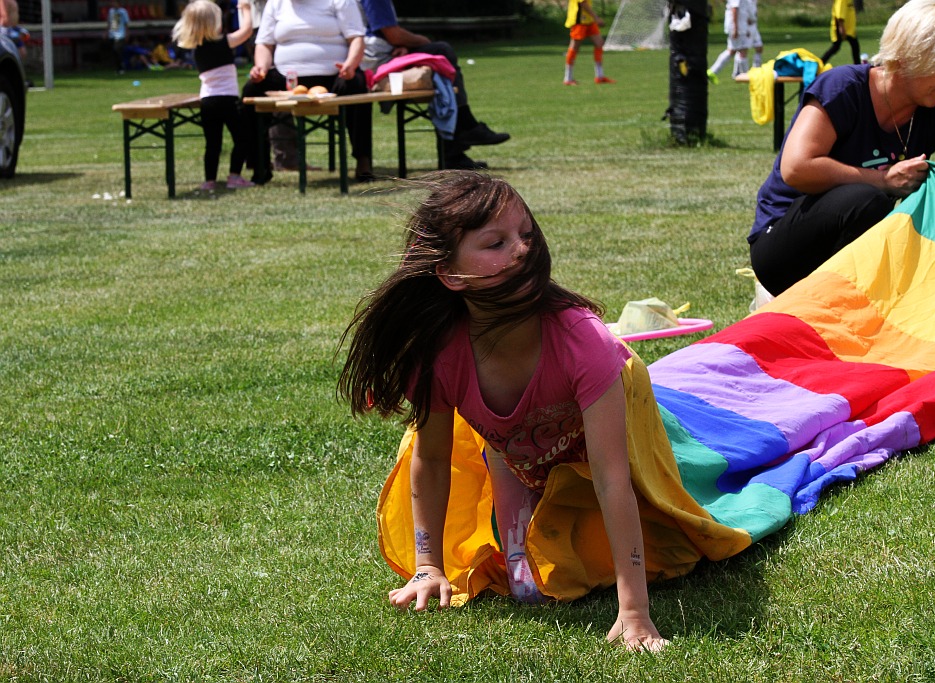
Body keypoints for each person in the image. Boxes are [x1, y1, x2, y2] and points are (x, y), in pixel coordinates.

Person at [335, 172, 671, 652]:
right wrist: (428, 565)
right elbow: (431, 459)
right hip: (513, 452)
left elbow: (612, 476)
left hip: (621, 430)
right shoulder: (439, 356)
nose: (522, 250)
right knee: (527, 588)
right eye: (496, 242)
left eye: (527, 235)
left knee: (661, 544)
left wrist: (633, 610)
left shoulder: (583, 340)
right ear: (450, 276)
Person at [748, 0, 935, 297]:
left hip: (850, 254)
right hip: (780, 252)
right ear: (907, 57)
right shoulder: (843, 87)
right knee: (868, 200)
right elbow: (796, 168)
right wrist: (883, 180)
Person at [358, 0, 510, 170]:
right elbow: (393, 34)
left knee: (440, 73)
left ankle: (457, 145)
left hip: (373, 57)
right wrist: (422, 40)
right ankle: (462, 133)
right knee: (441, 51)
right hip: (376, 62)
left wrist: (405, 45)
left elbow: (386, 35)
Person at [239, 0, 372, 184]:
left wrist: (350, 64)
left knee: (357, 85)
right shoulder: (276, 3)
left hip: (335, 74)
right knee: (251, 90)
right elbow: (264, 43)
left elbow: (356, 38)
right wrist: (260, 68)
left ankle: (363, 161)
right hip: (287, 77)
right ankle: (259, 164)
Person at [173, 0, 256, 192]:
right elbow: (247, 30)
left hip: (208, 101)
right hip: (228, 99)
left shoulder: (197, 49)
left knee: (213, 143)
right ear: (214, 23)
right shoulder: (224, 42)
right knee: (241, 138)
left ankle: (209, 179)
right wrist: (244, 8)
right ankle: (234, 175)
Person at [707, 0, 762, 83]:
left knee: (734, 51)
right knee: (739, 50)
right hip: (737, 26)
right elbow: (734, 9)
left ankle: (712, 72)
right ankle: (745, 76)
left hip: (741, 26)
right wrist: (735, 28)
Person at [563, 0, 615, 86]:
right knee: (574, 47)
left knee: (599, 43)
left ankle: (600, 76)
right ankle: (568, 78)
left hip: (589, 20)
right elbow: (583, 3)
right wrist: (596, 18)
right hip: (579, 20)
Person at [819, 0, 861, 66]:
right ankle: (820, 62)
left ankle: (858, 66)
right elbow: (839, 14)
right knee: (836, 47)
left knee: (854, 45)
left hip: (848, 28)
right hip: (841, 27)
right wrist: (841, 27)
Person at [107, 0, 131, 74]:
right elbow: (109, 22)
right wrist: (106, 32)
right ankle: (118, 68)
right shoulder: (111, 11)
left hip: (121, 34)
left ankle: (122, 67)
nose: (113, 4)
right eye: (112, 2)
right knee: (114, 52)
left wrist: (127, 34)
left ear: (118, 3)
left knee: (117, 49)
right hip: (112, 33)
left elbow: (126, 23)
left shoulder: (123, 11)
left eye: (115, 2)